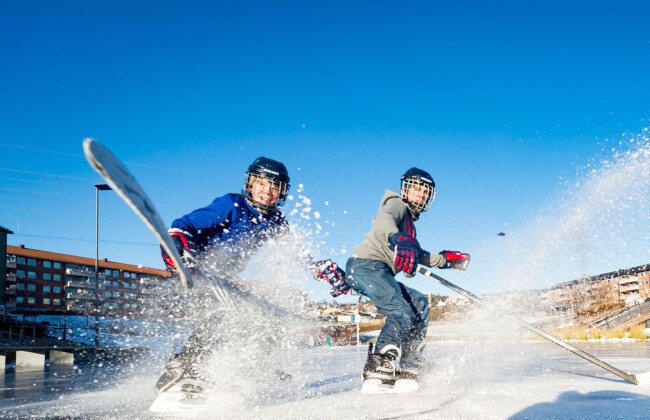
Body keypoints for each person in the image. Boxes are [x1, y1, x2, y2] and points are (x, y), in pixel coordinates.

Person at [155, 157, 350, 396]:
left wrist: (318, 268)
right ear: (250, 184)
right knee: (223, 310)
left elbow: (295, 253)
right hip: (200, 269)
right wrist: (179, 251)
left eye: (274, 187)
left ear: (282, 193)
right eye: (262, 183)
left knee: (267, 315)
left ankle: (249, 367)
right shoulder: (232, 204)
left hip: (225, 279)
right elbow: (181, 226)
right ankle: (182, 368)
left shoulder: (275, 220)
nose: (267, 191)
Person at [344, 167, 470, 384]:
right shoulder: (396, 204)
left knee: (419, 303)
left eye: (425, 192)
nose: (420, 195)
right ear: (405, 190)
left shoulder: (410, 227)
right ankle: (381, 361)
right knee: (400, 311)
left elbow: (418, 254)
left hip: (381, 271)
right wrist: (396, 238)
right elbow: (385, 219)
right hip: (365, 265)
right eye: (416, 190)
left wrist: (445, 261)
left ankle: (410, 357)